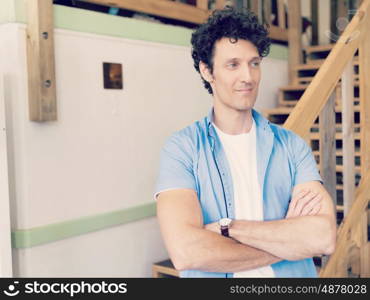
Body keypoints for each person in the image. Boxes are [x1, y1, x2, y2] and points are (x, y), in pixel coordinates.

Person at [154, 6, 336, 278]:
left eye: (254, 63)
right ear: (207, 71)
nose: (248, 77)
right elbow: (186, 252)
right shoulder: (183, 148)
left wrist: (228, 228)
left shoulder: (291, 146)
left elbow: (323, 238)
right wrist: (289, 243)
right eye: (233, 64)